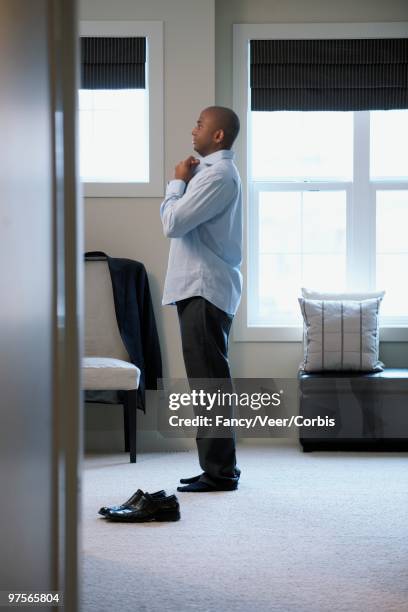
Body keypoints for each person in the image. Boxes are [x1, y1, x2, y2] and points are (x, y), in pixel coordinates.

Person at [160, 106, 242, 492]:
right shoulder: (209, 175)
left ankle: (220, 472)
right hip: (198, 287)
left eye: (200, 124)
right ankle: (216, 467)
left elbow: (173, 224)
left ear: (219, 136)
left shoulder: (218, 176)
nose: (193, 129)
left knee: (209, 383)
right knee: (206, 382)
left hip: (203, 287)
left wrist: (176, 183)